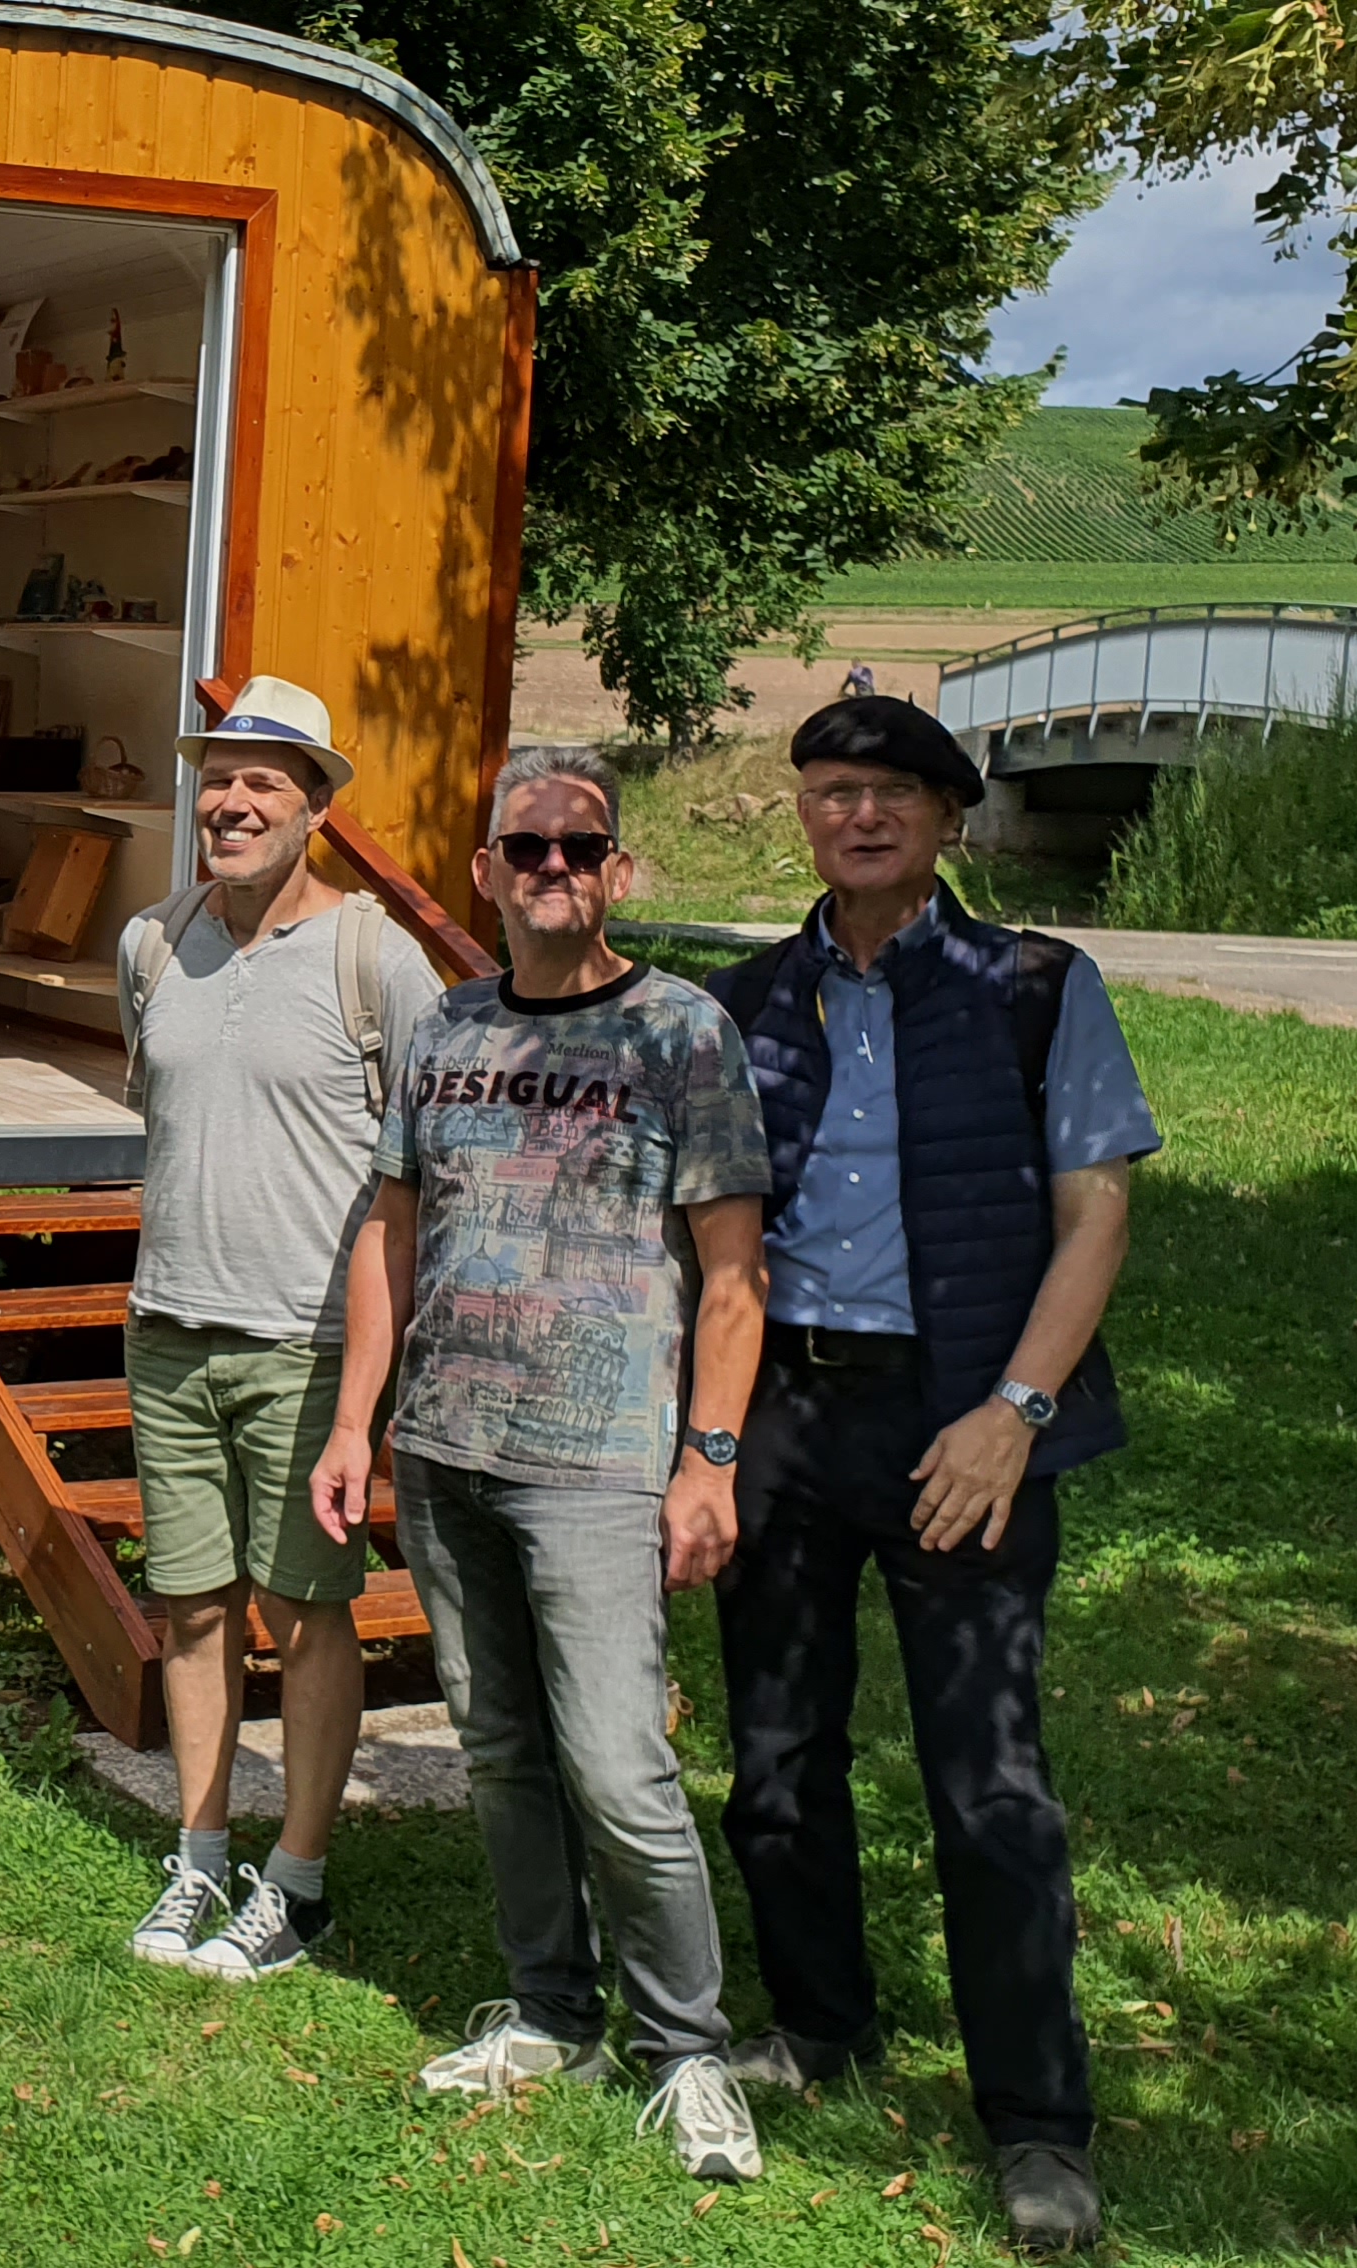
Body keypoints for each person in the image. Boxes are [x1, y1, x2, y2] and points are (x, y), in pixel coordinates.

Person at [698, 696, 1158, 2256]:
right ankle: (821, 2025)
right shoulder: (747, 999)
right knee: (776, 1754)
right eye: (831, 792)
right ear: (806, 817)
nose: (859, 816)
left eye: (892, 791)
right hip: (785, 1417)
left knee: (991, 1784)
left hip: (964, 1421)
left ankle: (1038, 2122)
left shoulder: (1036, 988)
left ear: (948, 819)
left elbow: (1094, 1214)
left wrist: (1015, 1411)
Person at [311, 745, 774, 2183]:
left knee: (620, 1764)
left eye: (584, 849)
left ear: (616, 868)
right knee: (501, 1749)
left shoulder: (682, 1031)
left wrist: (709, 1459)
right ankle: (552, 2010)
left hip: (599, 1459)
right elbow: (393, 1231)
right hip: (449, 1445)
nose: (557, 871)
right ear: (486, 871)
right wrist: (354, 1420)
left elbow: (735, 1265)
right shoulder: (448, 1029)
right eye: (531, 849)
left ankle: (688, 2049)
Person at [110, 678, 443, 1982]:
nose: (234, 800)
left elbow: (416, 1181)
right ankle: (200, 1858)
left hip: (310, 1345)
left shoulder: (378, 960)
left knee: (306, 1613)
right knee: (191, 1607)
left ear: (315, 809)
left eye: (267, 781)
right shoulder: (152, 943)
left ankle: (295, 1881)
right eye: (221, 775)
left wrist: (376, 1389)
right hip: (167, 1334)